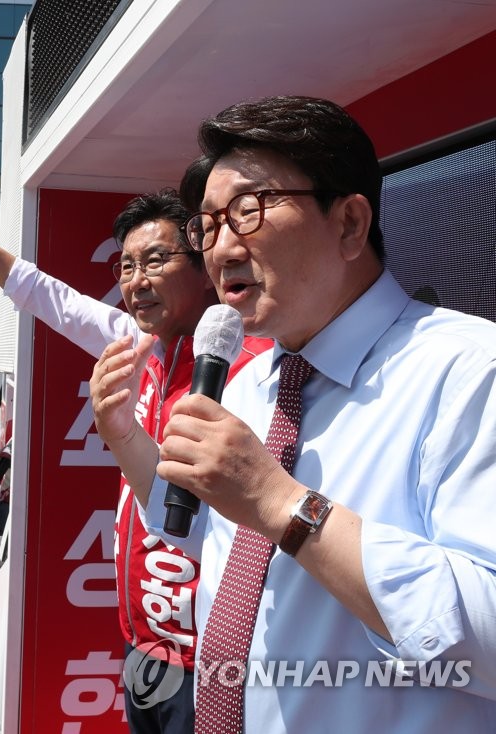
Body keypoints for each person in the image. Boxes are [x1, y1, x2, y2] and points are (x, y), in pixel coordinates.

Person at [90, 95, 496, 732]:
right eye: (209, 225)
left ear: (349, 224)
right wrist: (126, 440)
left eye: (246, 211)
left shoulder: (470, 372)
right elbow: (211, 540)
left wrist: (284, 504)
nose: (221, 246)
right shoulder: (247, 386)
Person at [0, 158, 271, 731]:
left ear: (204, 264)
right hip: (142, 646)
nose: (135, 281)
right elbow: (50, 297)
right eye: (127, 265)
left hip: (214, 660)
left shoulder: (258, 368)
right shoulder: (138, 344)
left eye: (156, 261)